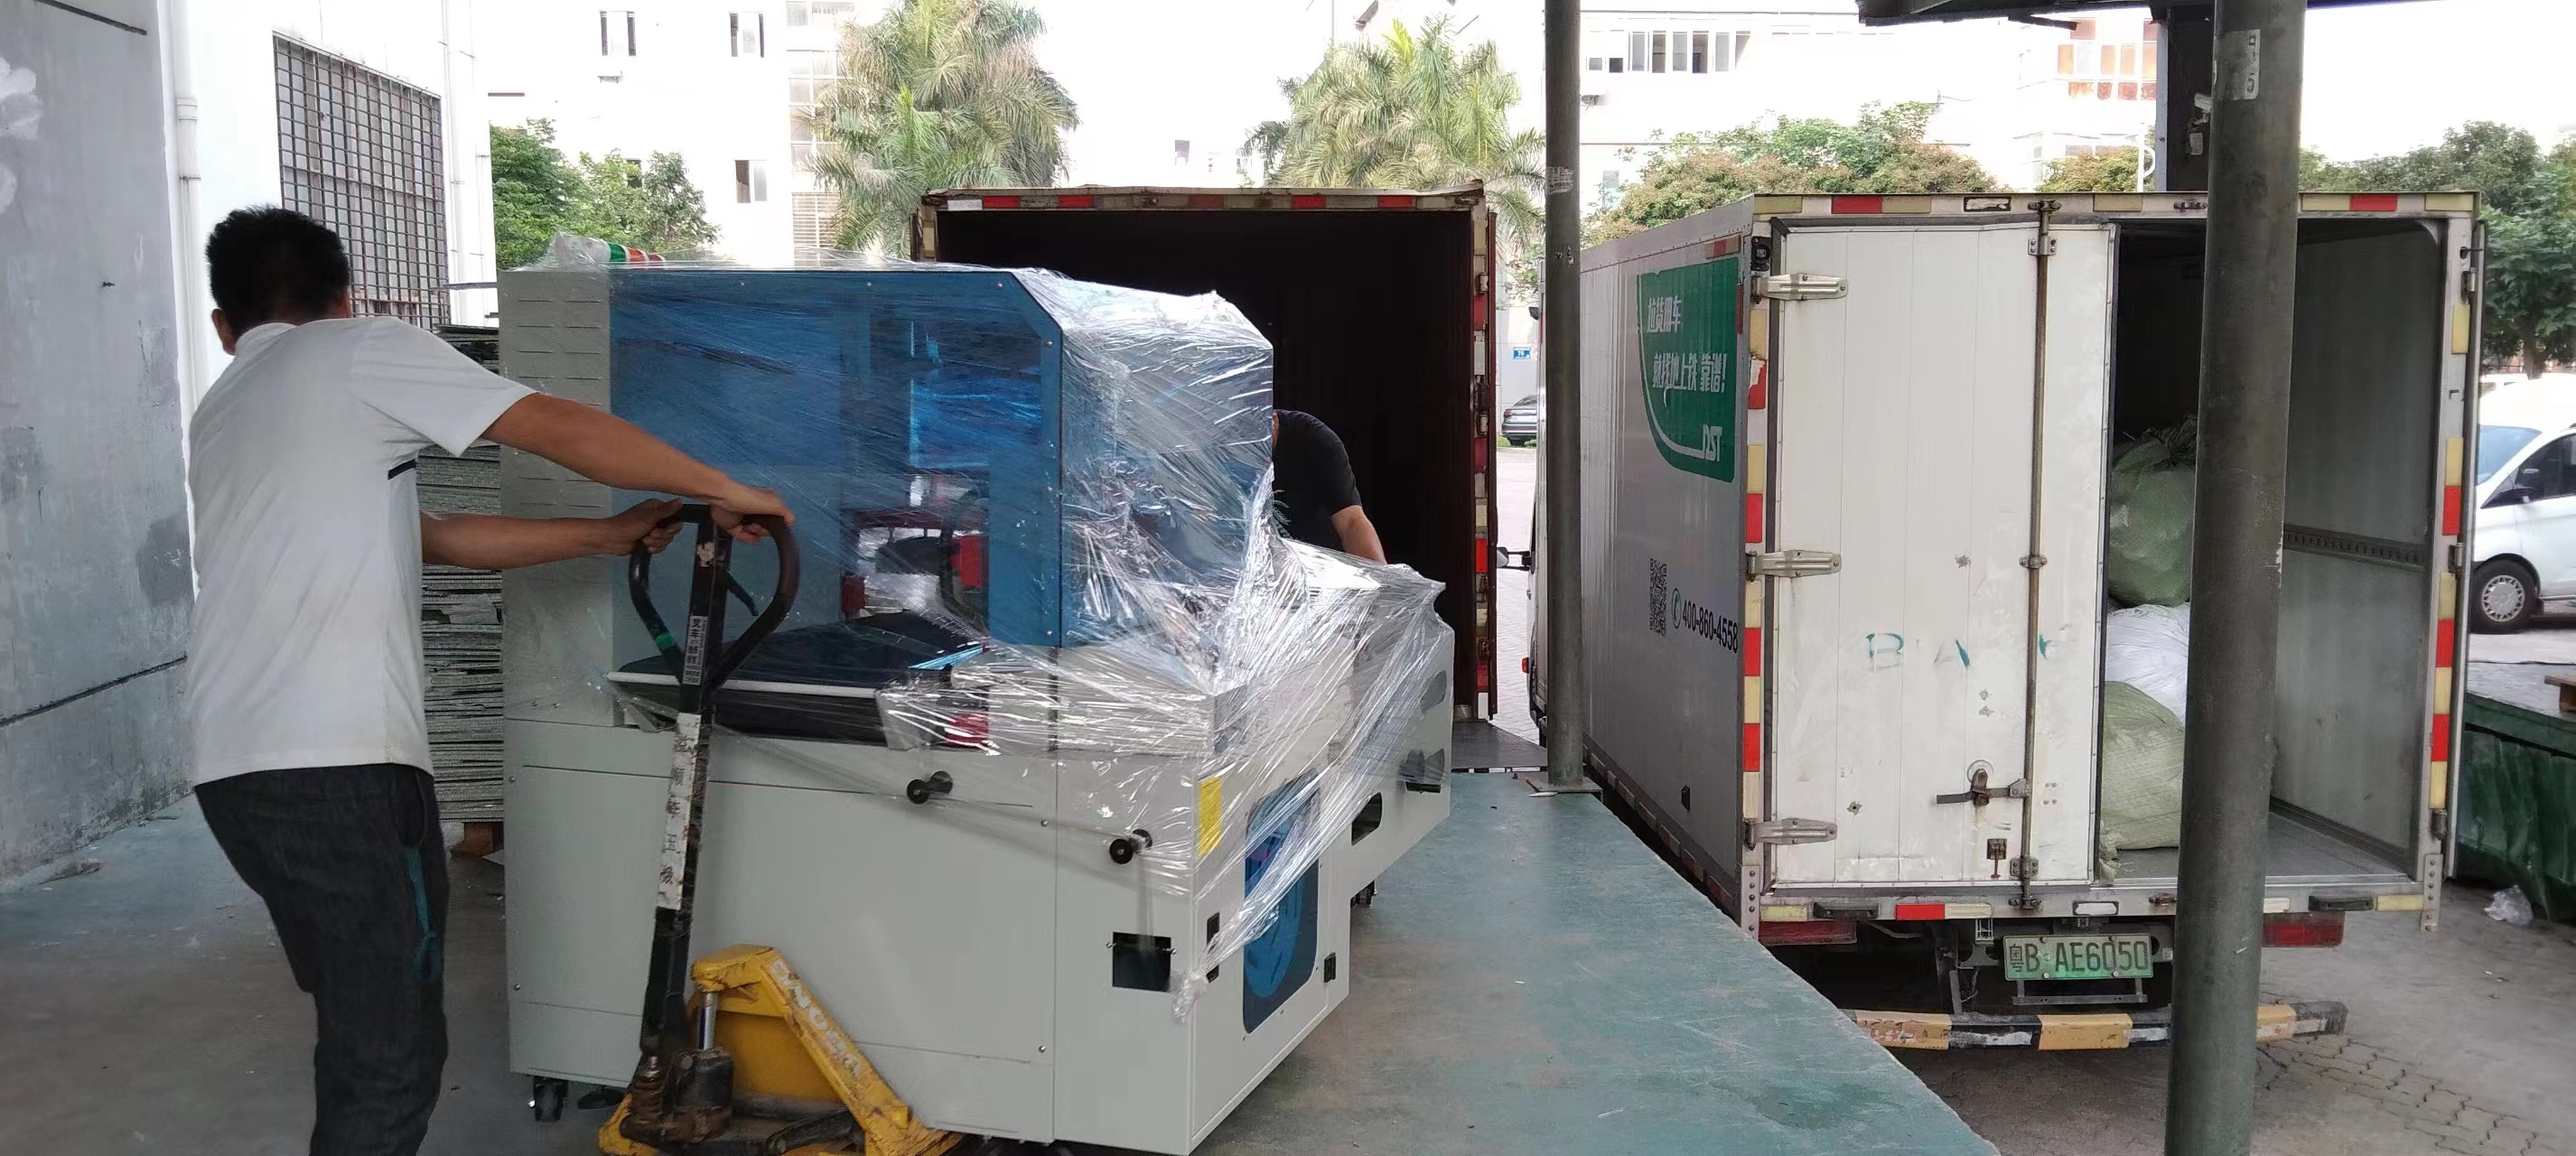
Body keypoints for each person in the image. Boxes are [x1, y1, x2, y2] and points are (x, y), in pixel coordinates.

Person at [184, 207, 789, 1156]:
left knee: (364, 1021)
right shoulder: (358, 349)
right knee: (389, 1054)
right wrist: (726, 486)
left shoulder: (227, 406)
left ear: (225, 324)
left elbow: (433, 537)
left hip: (239, 770)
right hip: (336, 765)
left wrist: (605, 534)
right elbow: (553, 425)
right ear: (346, 302)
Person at [1271, 408, 1386, 563]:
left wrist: (1379, 576)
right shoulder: (1236, 459)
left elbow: (1351, 523)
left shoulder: (1312, 439)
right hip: (1264, 566)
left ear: (1273, 420)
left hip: (1327, 564)